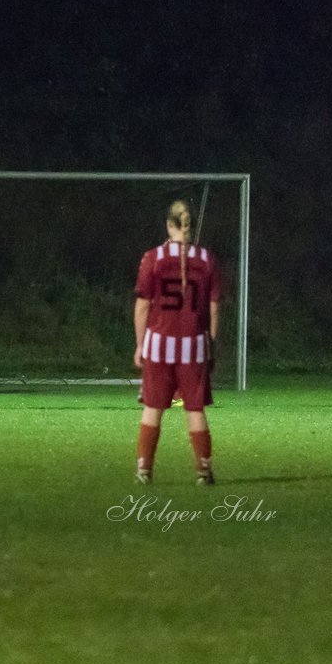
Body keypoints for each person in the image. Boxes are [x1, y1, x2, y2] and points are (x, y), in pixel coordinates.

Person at [132, 200, 221, 485]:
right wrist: (212, 344)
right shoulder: (207, 260)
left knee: (153, 407)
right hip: (194, 346)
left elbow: (142, 306)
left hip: (159, 345)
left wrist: (139, 344)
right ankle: (203, 472)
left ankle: (144, 471)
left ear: (169, 225)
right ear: (191, 227)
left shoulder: (153, 258)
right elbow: (214, 307)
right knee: (194, 408)